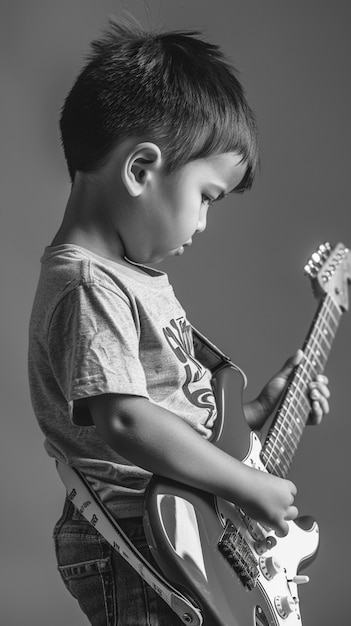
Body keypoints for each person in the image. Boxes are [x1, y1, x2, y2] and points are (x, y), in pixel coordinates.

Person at [28, 18, 330, 626]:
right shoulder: (90, 284)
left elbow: (164, 411)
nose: (203, 224)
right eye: (208, 198)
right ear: (141, 170)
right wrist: (247, 486)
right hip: (137, 538)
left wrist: (249, 415)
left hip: (176, 522)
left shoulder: (131, 276)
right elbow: (126, 420)